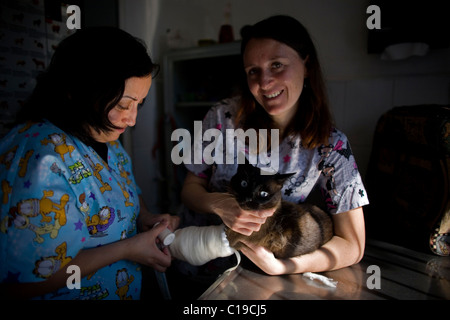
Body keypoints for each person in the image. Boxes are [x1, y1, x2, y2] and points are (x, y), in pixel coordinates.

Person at [179, 15, 368, 276]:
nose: (264, 83)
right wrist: (216, 203)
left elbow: (353, 245)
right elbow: (190, 188)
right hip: (198, 258)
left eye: (277, 65)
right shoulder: (222, 117)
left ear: (307, 65)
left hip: (254, 274)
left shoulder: (331, 147)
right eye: (253, 71)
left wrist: (282, 267)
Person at [0, 27, 179, 300]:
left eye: (139, 104)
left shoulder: (109, 141)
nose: (132, 120)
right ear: (77, 90)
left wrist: (145, 218)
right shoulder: (38, 157)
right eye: (122, 104)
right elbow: (24, 284)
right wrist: (127, 249)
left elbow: (126, 192)